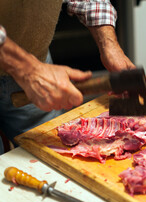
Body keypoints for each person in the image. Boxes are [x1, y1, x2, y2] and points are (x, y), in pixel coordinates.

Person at [0, 0, 135, 154]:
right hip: (33, 70)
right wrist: (27, 69)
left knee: (53, 156)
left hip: (37, 65)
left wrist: (109, 45)